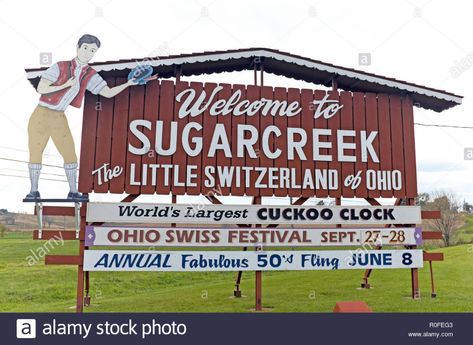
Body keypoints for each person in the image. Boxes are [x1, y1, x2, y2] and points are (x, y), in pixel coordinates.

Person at [26, 34, 137, 200]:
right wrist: (65, 84)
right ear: (78, 47)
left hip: (59, 117)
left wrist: (129, 83)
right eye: (85, 48)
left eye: (92, 50)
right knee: (36, 152)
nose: (88, 53)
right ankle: (33, 191)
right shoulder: (60, 66)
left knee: (70, 153)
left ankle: (73, 192)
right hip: (41, 114)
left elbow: (107, 93)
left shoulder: (90, 74)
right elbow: (41, 88)